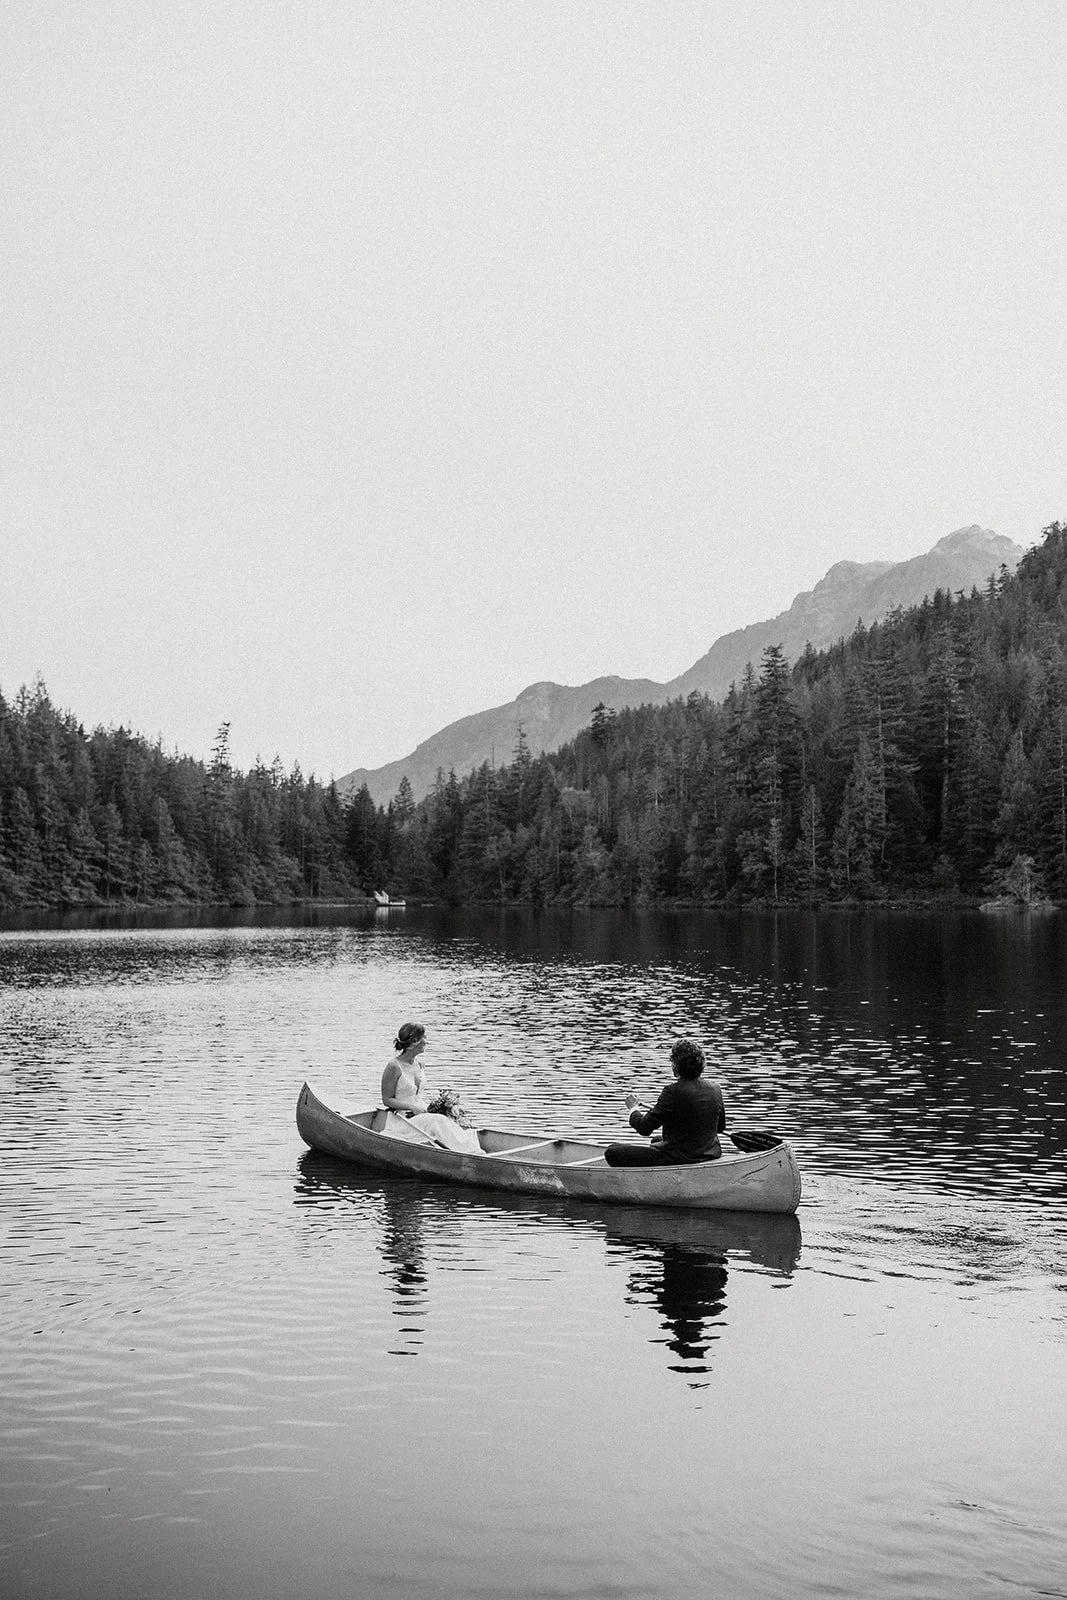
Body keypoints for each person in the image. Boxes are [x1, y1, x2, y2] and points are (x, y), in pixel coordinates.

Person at [604, 1038, 725, 1167]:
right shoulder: (715, 1088)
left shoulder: (672, 1091)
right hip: (710, 1153)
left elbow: (644, 1128)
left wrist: (633, 1109)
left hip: (683, 1158)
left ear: (676, 1065)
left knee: (612, 1151)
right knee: (656, 1140)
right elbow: (720, 1127)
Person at [381, 1022, 483, 1155]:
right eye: (424, 1037)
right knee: (437, 1120)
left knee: (448, 1119)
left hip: (422, 1114)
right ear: (414, 1042)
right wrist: (412, 1107)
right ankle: (474, 1154)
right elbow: (387, 1100)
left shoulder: (420, 1064)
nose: (427, 1041)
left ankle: (468, 1151)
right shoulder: (393, 1066)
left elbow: (417, 1097)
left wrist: (441, 1107)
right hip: (402, 1120)